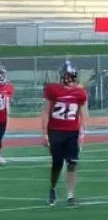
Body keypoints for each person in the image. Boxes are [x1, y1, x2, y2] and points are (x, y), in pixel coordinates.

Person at [42, 61, 89, 207]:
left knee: (72, 163)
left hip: (72, 132)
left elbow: (82, 114)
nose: (70, 79)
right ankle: (52, 188)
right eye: (68, 76)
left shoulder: (80, 93)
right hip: (55, 131)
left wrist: (82, 132)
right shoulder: (53, 90)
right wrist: (44, 133)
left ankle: (70, 195)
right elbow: (45, 112)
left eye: (72, 76)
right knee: (57, 164)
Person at [0, 64, 14, 167]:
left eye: (1, 74)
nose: (0, 76)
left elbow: (7, 101)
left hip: (2, 117)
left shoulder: (8, 87)